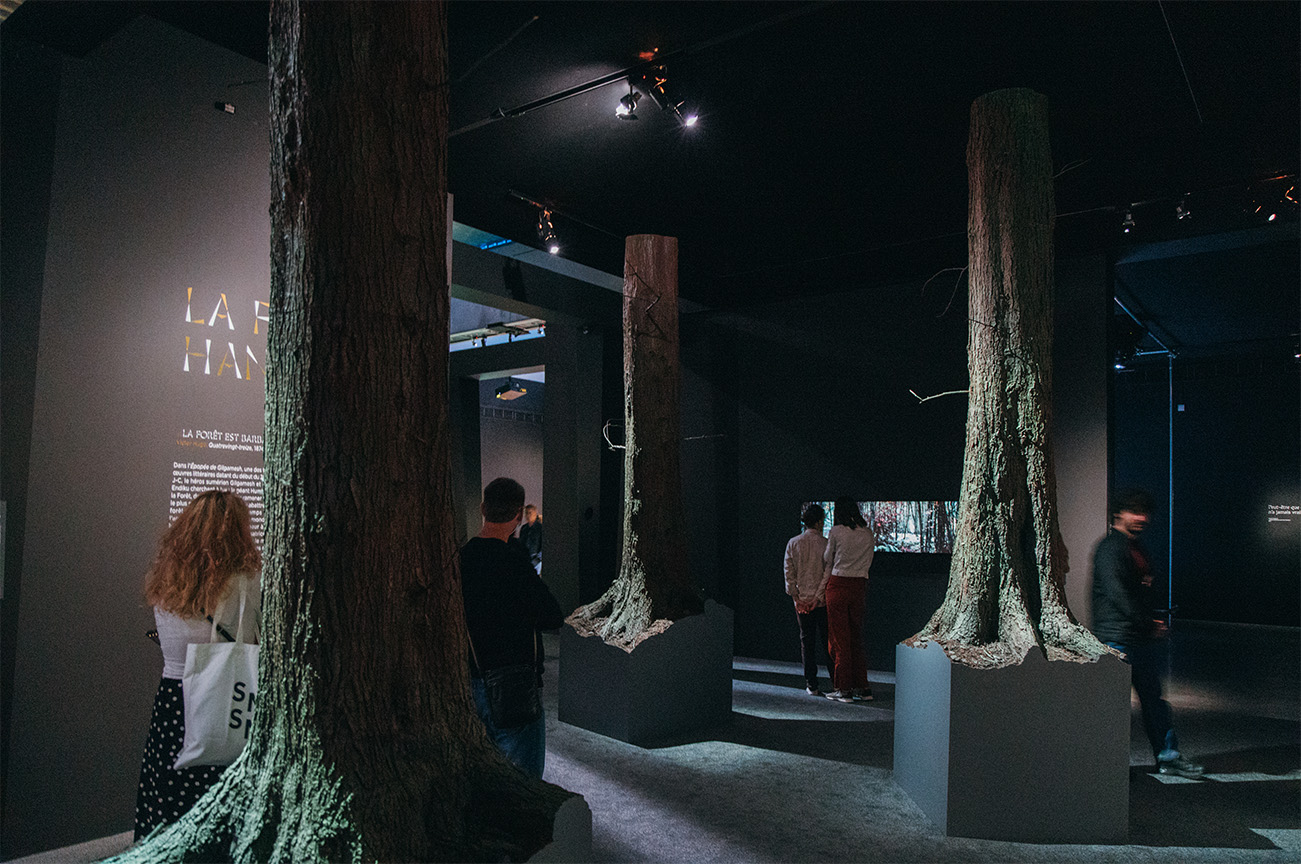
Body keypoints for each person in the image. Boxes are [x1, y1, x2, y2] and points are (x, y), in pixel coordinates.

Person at [135, 490, 261, 840]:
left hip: (173, 702)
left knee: (168, 792)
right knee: (216, 789)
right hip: (225, 694)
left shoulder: (165, 582)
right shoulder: (247, 583)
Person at [1092, 488, 1204, 778]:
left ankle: (1167, 757)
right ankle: (1105, 766)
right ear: (1119, 514)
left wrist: (1149, 623)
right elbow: (1118, 595)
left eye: (1145, 512)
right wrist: (1148, 623)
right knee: (1115, 707)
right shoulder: (1110, 549)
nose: (1142, 517)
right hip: (1118, 639)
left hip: (1134, 638)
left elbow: (1134, 594)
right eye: (1135, 511)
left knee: (1154, 702)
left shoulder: (1133, 548)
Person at [461, 478, 563, 777]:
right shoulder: (514, 563)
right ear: (519, 515)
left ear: (482, 508)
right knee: (524, 780)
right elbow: (551, 616)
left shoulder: (462, 558)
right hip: (515, 682)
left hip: (473, 676)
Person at [822, 498, 876, 703]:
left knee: (839, 638)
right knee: (856, 636)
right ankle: (863, 687)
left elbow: (827, 558)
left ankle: (843, 689)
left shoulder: (836, 531)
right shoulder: (868, 532)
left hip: (838, 583)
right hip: (860, 584)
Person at [785, 504, 832, 695]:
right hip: (821, 602)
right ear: (820, 521)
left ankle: (811, 684)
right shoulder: (826, 544)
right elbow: (827, 575)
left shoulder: (793, 543)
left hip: (802, 602)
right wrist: (818, 598)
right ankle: (837, 682)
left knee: (807, 642)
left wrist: (797, 599)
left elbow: (789, 574)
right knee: (829, 641)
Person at [518, 503, 544, 573]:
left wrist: (538, 559)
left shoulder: (540, 528)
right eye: (526, 513)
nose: (528, 515)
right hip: (525, 559)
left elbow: (543, 545)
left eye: (530, 513)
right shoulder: (524, 529)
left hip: (535, 560)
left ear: (535, 513)